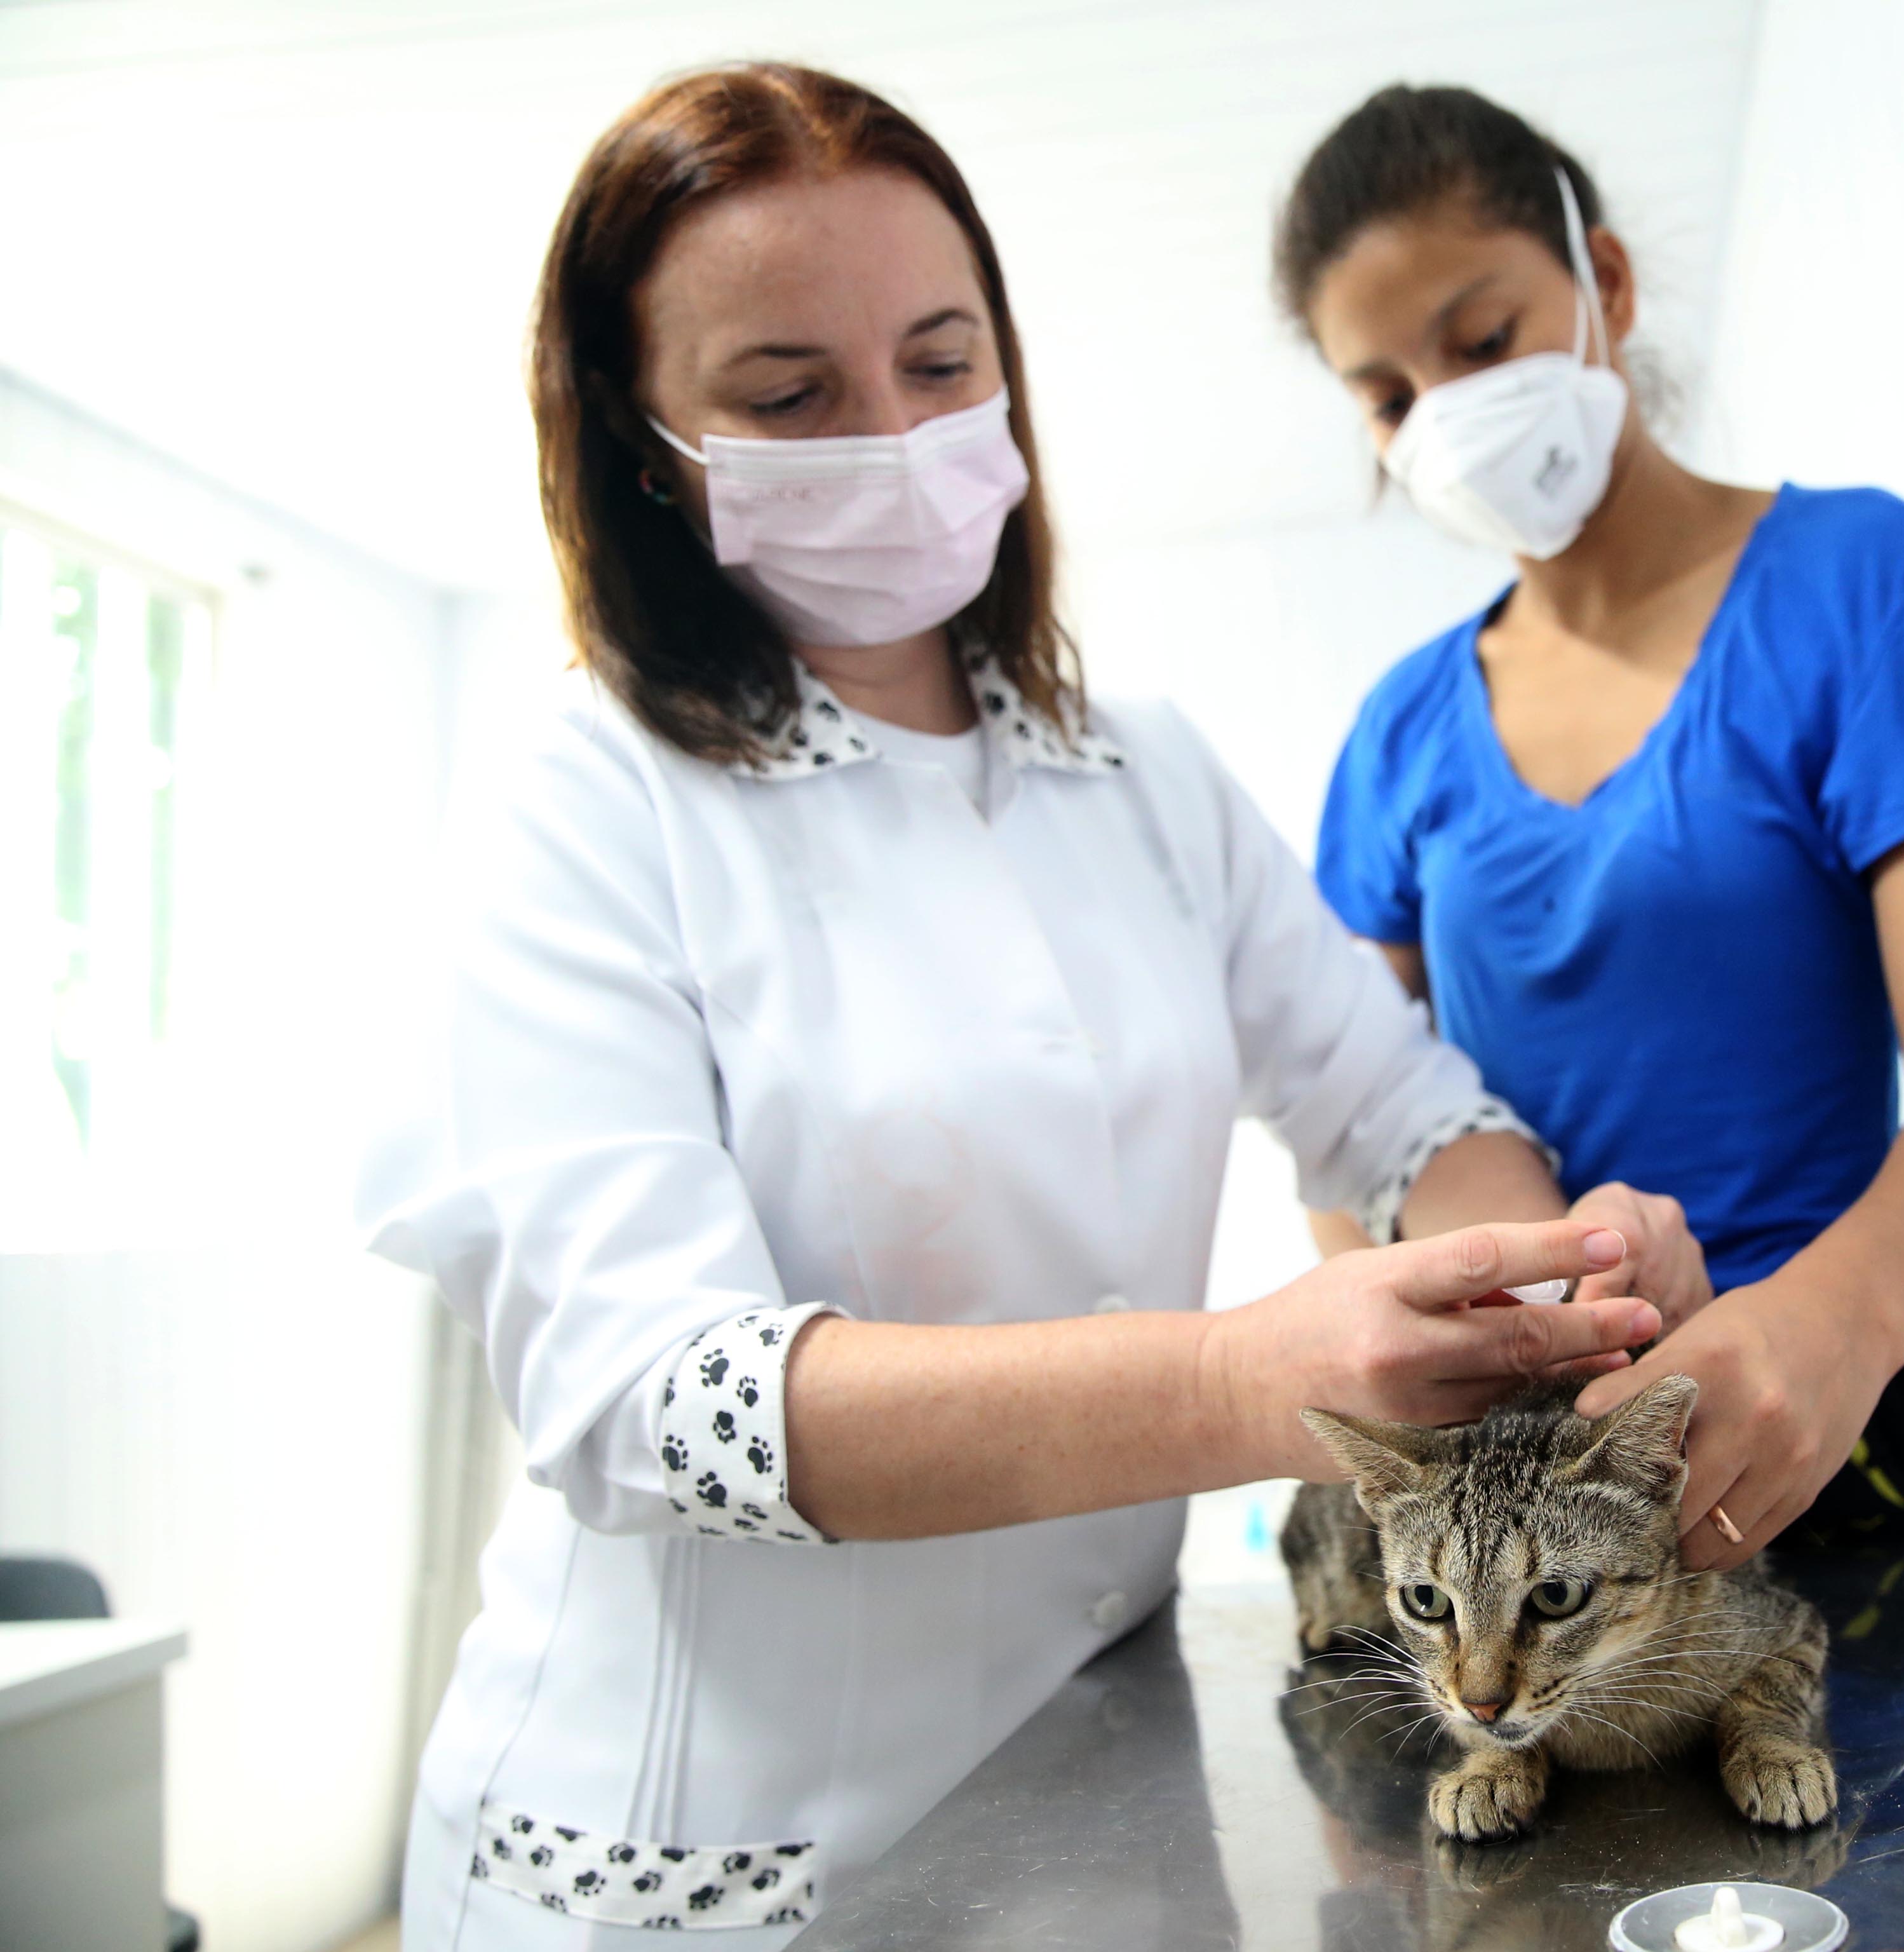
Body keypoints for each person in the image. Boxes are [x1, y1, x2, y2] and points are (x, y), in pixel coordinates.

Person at [360, 65, 1707, 1947]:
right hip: (710, 1854)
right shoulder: (587, 803)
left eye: (938, 361)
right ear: (648, 439)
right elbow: (652, 1403)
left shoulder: (1136, 778)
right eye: (789, 396)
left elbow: (1400, 1112)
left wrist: (1551, 1284)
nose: (898, 435)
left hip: (1092, 1797)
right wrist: (1247, 1380)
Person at [1275, 86, 1904, 1569]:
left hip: (1826, 1436)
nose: (1444, 415)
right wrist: (1458, 1357)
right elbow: (1346, 1142)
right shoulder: (1400, 732)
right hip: (1516, 1494)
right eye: (1388, 394)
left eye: (1482, 339)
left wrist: (1836, 1323)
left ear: (1607, 286)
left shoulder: (1863, 588)